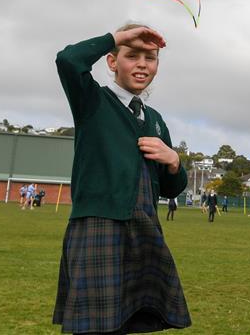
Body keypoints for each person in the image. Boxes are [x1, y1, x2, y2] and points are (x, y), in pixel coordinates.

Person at [52, 24, 191, 333]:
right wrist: (115, 38)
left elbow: (172, 188)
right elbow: (68, 60)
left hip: (144, 228)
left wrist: (174, 161)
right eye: (132, 54)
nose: (143, 64)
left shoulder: (155, 120)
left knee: (129, 323)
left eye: (150, 57)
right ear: (112, 61)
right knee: (94, 327)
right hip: (99, 227)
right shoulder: (92, 102)